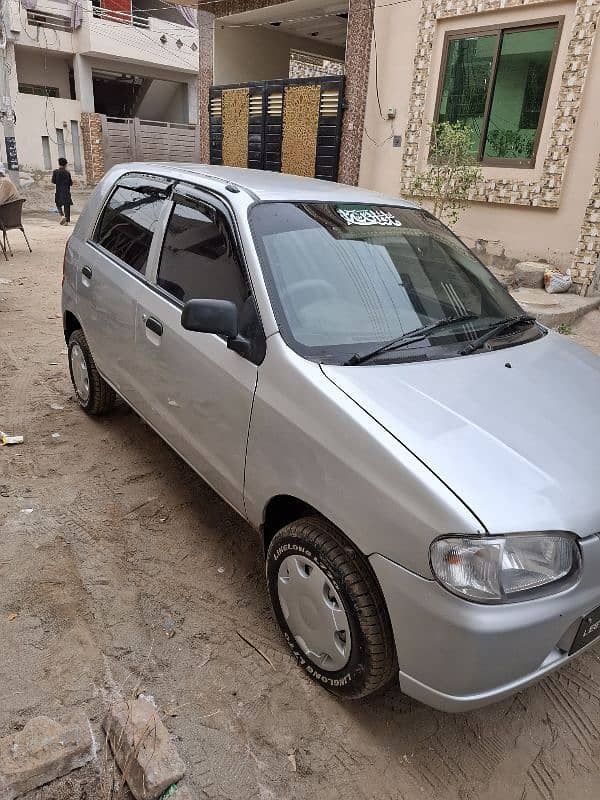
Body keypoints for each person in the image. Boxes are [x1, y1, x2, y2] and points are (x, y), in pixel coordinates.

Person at [52, 157, 73, 225]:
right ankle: (67, 221)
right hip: (66, 192)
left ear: (59, 164)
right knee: (67, 206)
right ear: (65, 164)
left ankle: (62, 216)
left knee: (58, 204)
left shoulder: (55, 172)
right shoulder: (67, 173)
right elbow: (71, 183)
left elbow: (53, 181)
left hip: (59, 191)